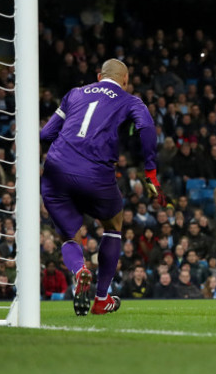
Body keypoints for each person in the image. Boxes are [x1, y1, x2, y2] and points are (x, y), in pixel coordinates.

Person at [40, 59, 165, 316]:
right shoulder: (130, 100)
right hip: (95, 172)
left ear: (99, 76)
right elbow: (146, 127)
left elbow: (45, 135)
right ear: (125, 80)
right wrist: (150, 171)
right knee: (113, 223)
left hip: (57, 168)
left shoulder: (74, 93)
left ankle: (79, 271)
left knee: (68, 235)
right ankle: (100, 298)